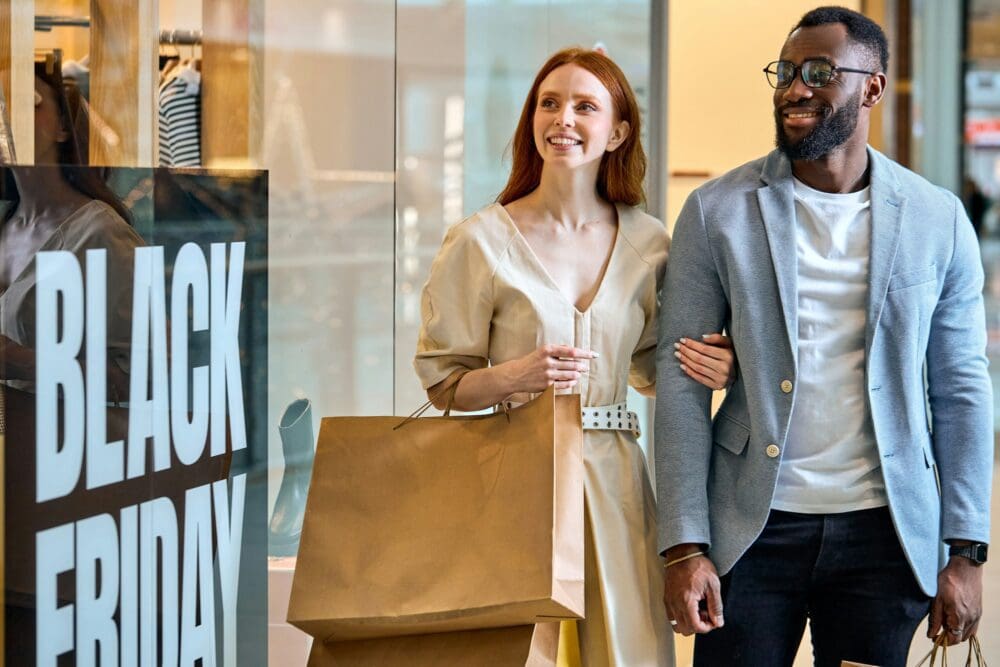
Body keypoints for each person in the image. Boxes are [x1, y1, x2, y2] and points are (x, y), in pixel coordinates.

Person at [655, 7, 992, 666]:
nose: (794, 89)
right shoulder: (717, 212)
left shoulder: (938, 219)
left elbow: (961, 391)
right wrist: (684, 544)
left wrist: (966, 549)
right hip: (749, 531)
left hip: (883, 534)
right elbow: (681, 386)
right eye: (784, 72)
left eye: (818, 72)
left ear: (871, 86)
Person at [414, 47, 735, 666]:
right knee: (517, 653)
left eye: (585, 106)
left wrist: (711, 367)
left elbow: (648, 369)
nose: (562, 118)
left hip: (618, 483)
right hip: (513, 479)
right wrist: (516, 375)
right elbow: (443, 383)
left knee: (628, 650)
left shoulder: (650, 241)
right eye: (549, 103)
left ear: (617, 131)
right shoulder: (479, 241)